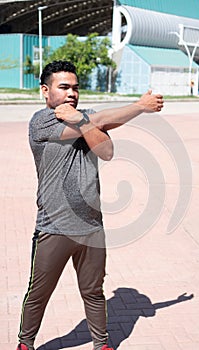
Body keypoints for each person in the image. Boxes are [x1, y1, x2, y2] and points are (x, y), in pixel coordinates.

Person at [16, 60, 164, 350]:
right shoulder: (40, 122)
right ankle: (25, 342)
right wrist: (139, 106)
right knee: (39, 293)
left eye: (76, 87)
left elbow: (106, 150)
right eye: (63, 87)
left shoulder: (84, 119)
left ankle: (102, 344)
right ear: (46, 91)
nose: (72, 93)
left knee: (94, 292)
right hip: (54, 227)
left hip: (92, 228)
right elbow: (102, 121)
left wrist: (82, 121)